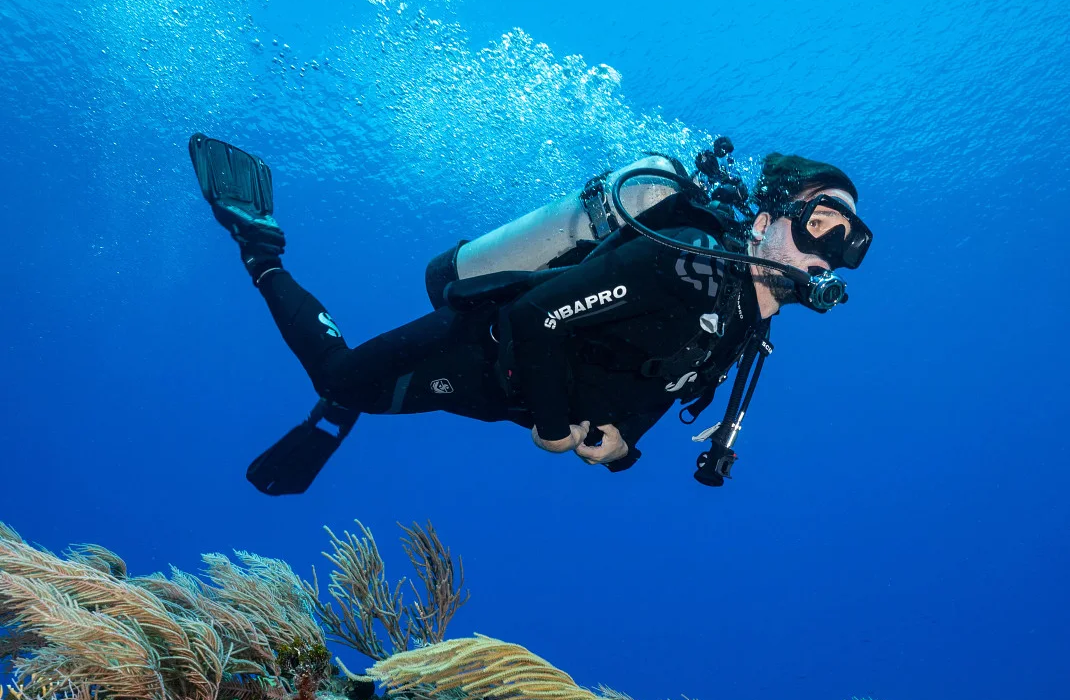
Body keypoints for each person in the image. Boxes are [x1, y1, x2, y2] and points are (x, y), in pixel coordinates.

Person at [189, 135, 871, 494]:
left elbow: (668, 381)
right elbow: (537, 317)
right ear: (763, 220)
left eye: (849, 243)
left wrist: (626, 441)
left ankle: (348, 406)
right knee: (341, 381)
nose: (831, 254)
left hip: (506, 396)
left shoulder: (748, 324)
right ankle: (262, 249)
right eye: (819, 225)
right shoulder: (683, 261)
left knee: (365, 393)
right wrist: (551, 428)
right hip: (476, 347)